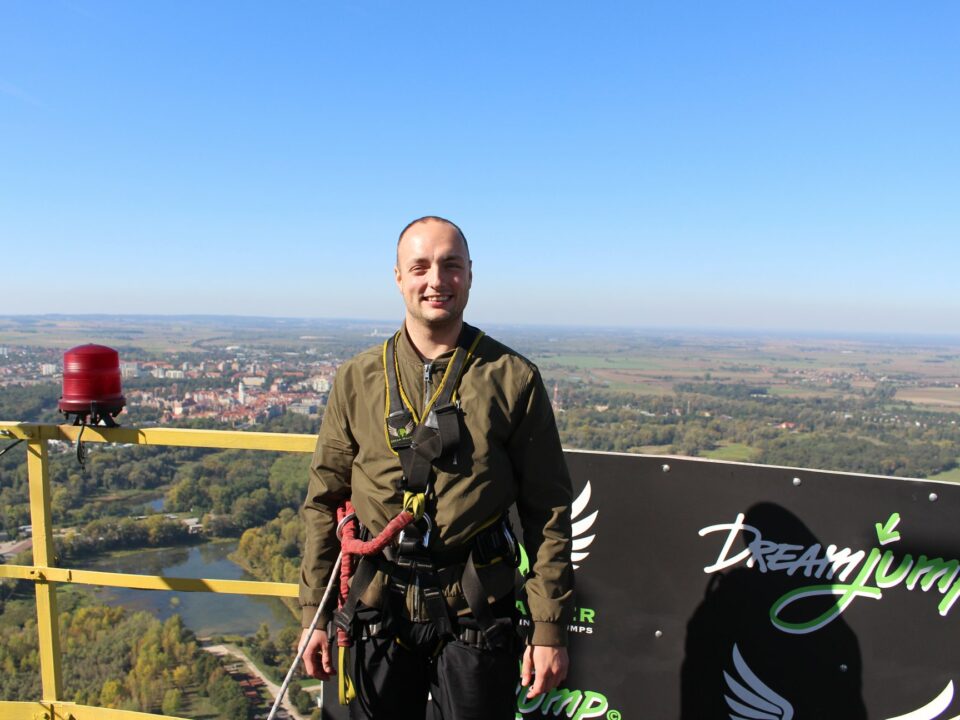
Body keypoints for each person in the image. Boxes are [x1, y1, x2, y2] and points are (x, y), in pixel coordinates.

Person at [298, 216, 574, 719]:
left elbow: (547, 510)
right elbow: (324, 500)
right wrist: (314, 612)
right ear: (399, 278)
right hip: (375, 607)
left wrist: (549, 628)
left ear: (469, 274)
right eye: (420, 267)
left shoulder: (511, 379)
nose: (435, 280)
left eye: (450, 266)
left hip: (475, 610)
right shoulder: (358, 379)